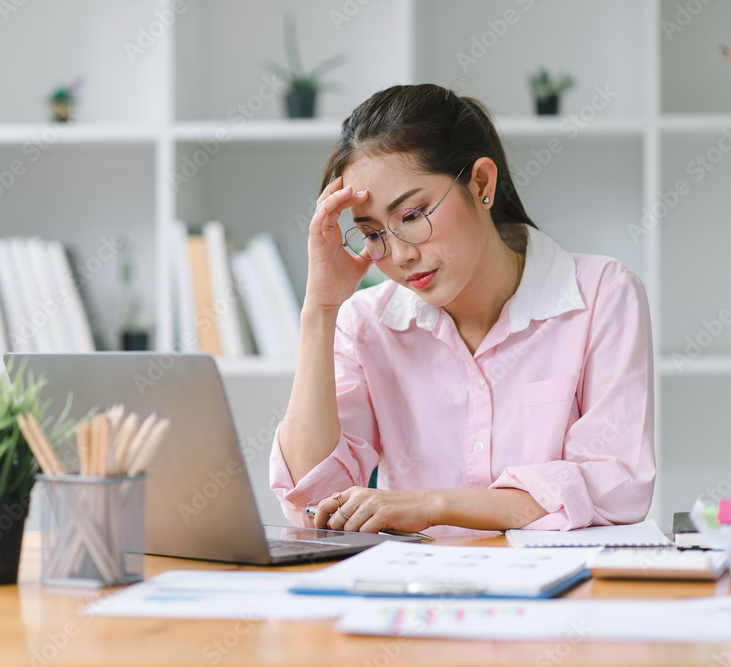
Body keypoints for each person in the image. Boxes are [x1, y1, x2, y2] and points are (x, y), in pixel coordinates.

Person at [269, 84, 655, 537]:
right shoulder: (366, 324)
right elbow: (311, 502)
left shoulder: (602, 296)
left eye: (412, 215)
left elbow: (618, 486)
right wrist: (320, 310)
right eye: (373, 234)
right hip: (417, 598)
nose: (399, 256)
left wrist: (432, 506)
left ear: (481, 183)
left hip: (559, 598)